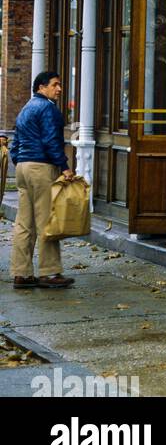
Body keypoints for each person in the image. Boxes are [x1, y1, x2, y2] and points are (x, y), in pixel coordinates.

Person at [9, 71, 75, 290]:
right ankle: (50, 272)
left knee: (24, 223)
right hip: (41, 167)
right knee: (48, 220)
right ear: (41, 87)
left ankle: (22, 273)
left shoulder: (26, 108)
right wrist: (64, 167)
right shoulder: (48, 108)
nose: (59, 89)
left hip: (22, 168)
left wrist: (19, 161)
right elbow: (51, 141)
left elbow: (15, 143)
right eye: (55, 85)